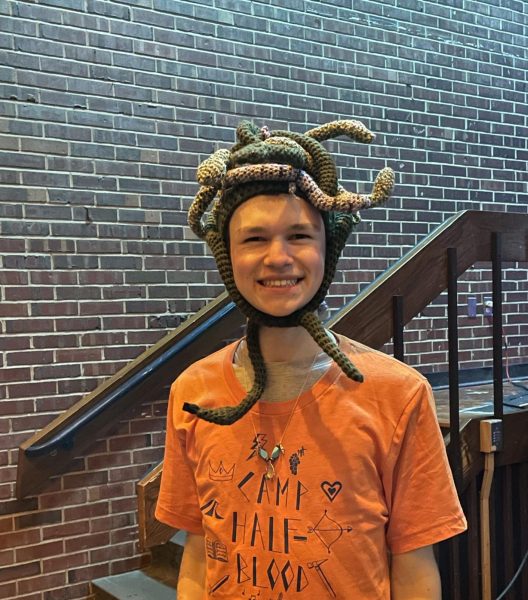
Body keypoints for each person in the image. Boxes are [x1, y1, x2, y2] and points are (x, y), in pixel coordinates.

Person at [155, 120, 467, 599]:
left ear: (328, 246)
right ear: (227, 254)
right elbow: (198, 554)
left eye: (299, 235)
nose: (278, 257)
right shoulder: (194, 393)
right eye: (254, 239)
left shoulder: (398, 395)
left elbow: (414, 568)